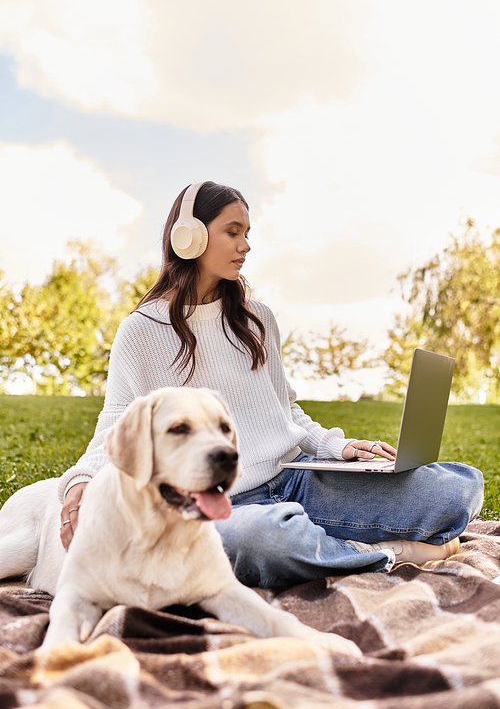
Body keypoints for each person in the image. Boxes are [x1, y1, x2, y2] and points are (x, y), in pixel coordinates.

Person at [58, 181, 483, 589]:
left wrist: (339, 448)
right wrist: (80, 480)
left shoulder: (257, 319)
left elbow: (287, 408)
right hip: (224, 506)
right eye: (233, 231)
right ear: (188, 237)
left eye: (247, 233)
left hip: (299, 480)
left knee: (456, 489)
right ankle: (384, 552)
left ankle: (318, 543)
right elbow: (116, 424)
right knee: (263, 540)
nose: (246, 245)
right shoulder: (141, 331)